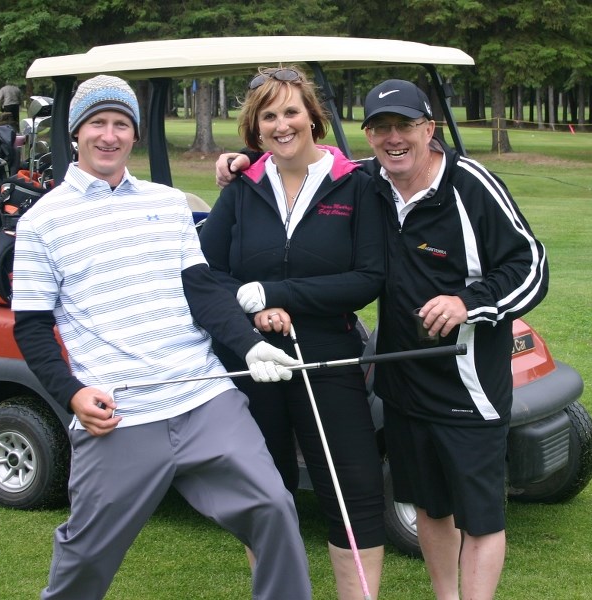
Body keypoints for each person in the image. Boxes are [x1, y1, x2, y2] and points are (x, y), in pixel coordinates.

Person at [215, 78, 549, 600]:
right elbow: (303, 158)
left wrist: (469, 303)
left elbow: (531, 264)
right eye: (380, 128)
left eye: (405, 126)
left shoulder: (469, 184)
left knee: (480, 517)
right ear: (367, 135)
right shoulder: (368, 182)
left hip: (469, 381)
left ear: (429, 129)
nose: (393, 138)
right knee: (429, 506)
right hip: (403, 382)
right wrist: (245, 159)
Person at [11, 74, 312, 600]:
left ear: (134, 134)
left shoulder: (168, 203)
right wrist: (73, 395)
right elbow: (32, 327)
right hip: (119, 414)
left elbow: (203, 291)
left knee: (273, 506)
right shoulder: (42, 222)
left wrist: (249, 345)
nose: (110, 136)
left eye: (121, 124)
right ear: (76, 132)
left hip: (202, 399)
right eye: (98, 124)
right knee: (87, 554)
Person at [200, 66, 386, 600]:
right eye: (269, 116)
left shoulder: (356, 184)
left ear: (313, 117)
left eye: (291, 112)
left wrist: (280, 296)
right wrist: (251, 314)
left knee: (352, 490)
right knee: (266, 491)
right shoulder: (242, 186)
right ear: (255, 129)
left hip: (327, 355)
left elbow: (367, 278)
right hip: (250, 358)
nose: (282, 125)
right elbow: (208, 274)